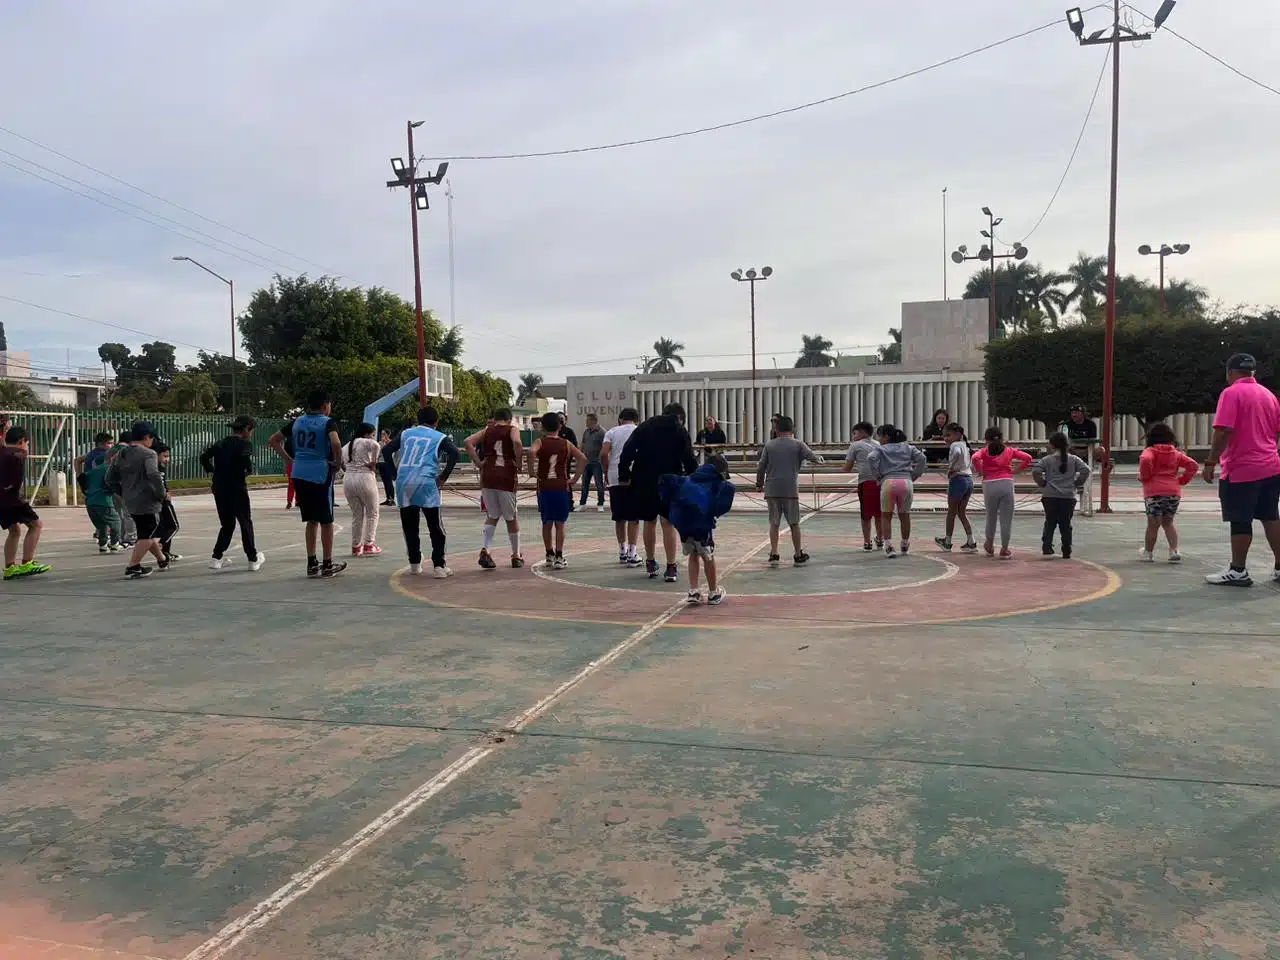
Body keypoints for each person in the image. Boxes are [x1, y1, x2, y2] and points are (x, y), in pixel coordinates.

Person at [1203, 353, 1280, 586]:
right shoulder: (1269, 395)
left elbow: (1223, 430)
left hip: (1241, 468)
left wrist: (1210, 462)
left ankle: (1238, 570)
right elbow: (1276, 432)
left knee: (1240, 519)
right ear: (1252, 372)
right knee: (1270, 516)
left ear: (1230, 373)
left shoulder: (1231, 393)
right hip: (1270, 466)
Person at [618, 402, 698, 583]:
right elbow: (688, 457)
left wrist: (625, 473)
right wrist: (694, 477)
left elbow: (627, 450)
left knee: (649, 521)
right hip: (670, 480)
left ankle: (651, 562)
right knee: (668, 523)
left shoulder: (645, 426)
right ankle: (671, 567)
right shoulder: (679, 430)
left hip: (644, 479)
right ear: (680, 417)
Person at [269, 392, 347, 578]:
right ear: (325, 405)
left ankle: (312, 562)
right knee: (327, 521)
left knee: (311, 520)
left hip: (299, 473)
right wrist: (337, 463)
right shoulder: (327, 422)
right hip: (320, 473)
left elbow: (273, 440)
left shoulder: (296, 422)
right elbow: (336, 443)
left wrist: (289, 460)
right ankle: (327, 563)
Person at [386, 406, 460, 578]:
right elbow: (455, 454)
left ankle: (414, 563)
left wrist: (395, 473)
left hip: (405, 482)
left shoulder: (406, 433)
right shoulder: (438, 436)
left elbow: (387, 450)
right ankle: (439, 566)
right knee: (435, 526)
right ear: (436, 421)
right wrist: (443, 477)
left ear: (419, 420)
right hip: (426, 481)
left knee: (410, 526)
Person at [660, 454, 735, 605]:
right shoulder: (717, 483)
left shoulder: (690, 478)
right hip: (701, 524)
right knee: (708, 556)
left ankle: (693, 591)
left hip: (682, 523)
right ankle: (713, 592)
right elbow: (720, 507)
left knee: (693, 553)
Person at [755, 414, 823, 567]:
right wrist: (820, 459)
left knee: (774, 522)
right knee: (794, 523)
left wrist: (759, 484)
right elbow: (813, 457)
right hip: (790, 489)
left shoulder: (769, 445)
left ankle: (774, 553)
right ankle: (798, 554)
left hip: (772, 488)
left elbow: (761, 466)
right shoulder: (798, 444)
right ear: (793, 429)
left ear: (776, 429)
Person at [201, 415, 264, 572]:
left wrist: (212, 470)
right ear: (246, 429)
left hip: (219, 487)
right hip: (237, 487)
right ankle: (252, 558)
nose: (252, 433)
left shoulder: (221, 443)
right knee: (245, 522)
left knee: (227, 523)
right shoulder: (244, 444)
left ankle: (216, 557)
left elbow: (204, 457)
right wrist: (247, 470)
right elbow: (245, 461)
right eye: (252, 430)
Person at [465, 407, 524, 570]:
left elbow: (467, 442)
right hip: (505, 476)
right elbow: (517, 442)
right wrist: (519, 462)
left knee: (492, 514)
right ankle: (516, 555)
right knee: (511, 517)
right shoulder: (512, 429)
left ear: (495, 418)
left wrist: (478, 462)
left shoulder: (487, 430)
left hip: (488, 475)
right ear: (509, 419)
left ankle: (486, 549)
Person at [106, 421, 166, 579]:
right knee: (146, 534)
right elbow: (153, 474)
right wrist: (161, 493)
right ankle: (133, 566)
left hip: (130, 500)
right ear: (146, 437)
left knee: (145, 532)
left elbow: (109, 478)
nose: (152, 442)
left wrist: (122, 492)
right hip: (147, 500)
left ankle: (162, 559)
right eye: (152, 438)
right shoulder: (149, 454)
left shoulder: (122, 453)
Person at [530, 411, 587, 570]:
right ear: (560, 425)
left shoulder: (540, 442)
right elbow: (582, 458)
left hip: (544, 486)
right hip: (561, 486)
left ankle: (549, 553)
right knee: (560, 523)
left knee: (546, 522)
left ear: (542, 426)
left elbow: (531, 452)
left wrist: (531, 470)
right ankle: (559, 556)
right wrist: (575, 478)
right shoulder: (566, 443)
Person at [1137, 422, 1197, 564]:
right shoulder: (1175, 453)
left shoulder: (1149, 451)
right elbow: (1192, 465)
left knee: (1153, 524)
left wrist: (1144, 477)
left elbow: (1145, 460)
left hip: (1153, 492)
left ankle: (1148, 552)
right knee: (1168, 522)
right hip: (1173, 492)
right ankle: (1174, 550)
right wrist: (1182, 480)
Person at [971, 426, 1034, 559]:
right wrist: (1016, 470)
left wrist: (981, 471)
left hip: (989, 484)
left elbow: (974, 458)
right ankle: (1004, 549)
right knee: (1006, 519)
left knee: (991, 516)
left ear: (986, 440)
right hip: (1006, 482)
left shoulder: (983, 451)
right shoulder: (1009, 450)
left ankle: (989, 545)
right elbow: (1028, 458)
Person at [868, 425, 927, 558]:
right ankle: (905, 545)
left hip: (888, 482)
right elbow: (922, 459)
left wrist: (877, 475)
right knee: (904, 515)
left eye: (880, 436)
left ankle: (889, 546)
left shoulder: (881, 449)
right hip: (906, 483)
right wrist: (915, 475)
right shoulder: (907, 447)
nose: (879, 439)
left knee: (886, 516)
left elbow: (871, 458)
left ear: (886, 437)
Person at [1, 425, 50, 581]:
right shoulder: (19, 454)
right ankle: (27, 562)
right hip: (11, 499)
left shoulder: (2, 451)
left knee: (14, 530)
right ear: (22, 441)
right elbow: (19, 455)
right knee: (36, 524)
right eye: (27, 443)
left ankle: (9, 568)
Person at [1033, 432, 1091, 559]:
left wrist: (1042, 483)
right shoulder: (1074, 459)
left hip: (1050, 495)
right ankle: (1066, 549)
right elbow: (1086, 470)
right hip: (1068, 495)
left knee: (1050, 521)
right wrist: (1077, 483)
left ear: (1052, 445)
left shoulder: (1047, 459)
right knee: (1066, 524)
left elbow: (1036, 471)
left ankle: (1047, 546)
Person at [602, 407, 641, 566]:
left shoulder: (611, 432)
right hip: (634, 475)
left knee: (619, 516)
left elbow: (604, 453)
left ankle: (622, 550)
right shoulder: (640, 431)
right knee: (634, 516)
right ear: (636, 420)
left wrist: (605, 470)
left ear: (620, 419)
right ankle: (632, 552)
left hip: (614, 475)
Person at [935, 422, 977, 553]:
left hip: (958, 479)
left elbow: (957, 454)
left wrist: (951, 467)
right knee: (961, 512)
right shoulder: (965, 445)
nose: (946, 438)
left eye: (948, 435)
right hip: (968, 480)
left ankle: (947, 541)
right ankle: (971, 541)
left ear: (957, 434)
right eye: (944, 436)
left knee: (951, 512)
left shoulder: (955, 445)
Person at [343, 422, 383, 557]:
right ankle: (369, 544)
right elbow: (376, 445)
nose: (373, 437)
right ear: (366, 434)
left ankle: (356, 546)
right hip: (365, 477)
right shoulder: (365, 442)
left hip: (348, 479)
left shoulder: (347, 445)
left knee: (357, 515)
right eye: (372, 434)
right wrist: (374, 461)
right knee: (372, 513)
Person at [78, 433, 122, 553]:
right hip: (102, 499)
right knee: (116, 521)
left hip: (90, 501)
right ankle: (115, 543)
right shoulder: (109, 469)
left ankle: (103, 545)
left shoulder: (94, 467)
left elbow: (82, 477)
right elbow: (112, 483)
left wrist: (85, 490)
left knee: (101, 525)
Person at [842, 421, 881, 551]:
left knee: (865, 515)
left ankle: (867, 542)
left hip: (865, 482)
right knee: (879, 513)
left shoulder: (855, 445)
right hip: (880, 482)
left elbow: (847, 468)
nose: (853, 436)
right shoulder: (878, 444)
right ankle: (880, 540)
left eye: (854, 433)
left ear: (863, 433)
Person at [152, 440, 183, 564]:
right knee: (174, 526)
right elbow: (159, 484)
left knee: (165, 526)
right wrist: (165, 493)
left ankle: (166, 552)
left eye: (168, 456)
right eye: (164, 456)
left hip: (158, 501)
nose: (167, 459)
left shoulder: (157, 467)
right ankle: (161, 545)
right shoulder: (156, 469)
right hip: (163, 501)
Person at [106, 433, 137, 546]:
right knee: (128, 514)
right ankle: (131, 537)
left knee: (117, 513)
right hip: (126, 485)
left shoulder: (111, 450)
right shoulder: (127, 451)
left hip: (113, 485)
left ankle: (117, 536)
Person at [578, 413, 607, 511]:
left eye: (587, 421)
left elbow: (605, 447)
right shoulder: (586, 432)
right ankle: (582, 504)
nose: (585, 423)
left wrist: (601, 459)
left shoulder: (602, 432)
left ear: (593, 421)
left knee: (599, 483)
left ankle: (600, 504)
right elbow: (583, 444)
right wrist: (579, 455)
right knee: (584, 484)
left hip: (596, 463)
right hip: (586, 462)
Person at [557, 413, 578, 512]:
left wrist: (569, 455)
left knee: (566, 480)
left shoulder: (568, 431)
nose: (561, 421)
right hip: (554, 462)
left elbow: (574, 445)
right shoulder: (552, 432)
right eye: (559, 419)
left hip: (565, 461)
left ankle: (569, 503)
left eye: (562, 419)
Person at [378, 428, 397, 506]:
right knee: (385, 482)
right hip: (380, 462)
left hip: (387, 463)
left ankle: (392, 499)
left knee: (389, 482)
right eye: (382, 434)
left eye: (384, 434)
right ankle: (387, 498)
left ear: (388, 435)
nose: (382, 435)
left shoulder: (391, 442)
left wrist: (386, 443)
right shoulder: (379, 443)